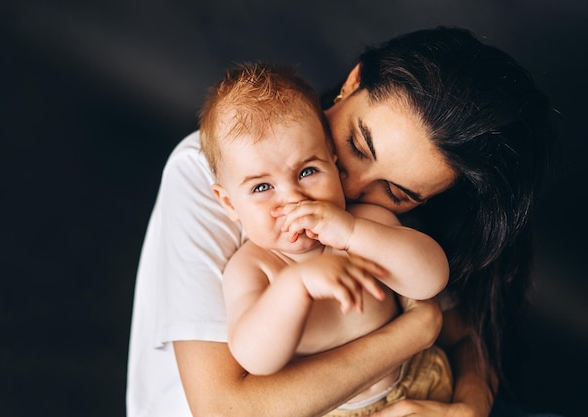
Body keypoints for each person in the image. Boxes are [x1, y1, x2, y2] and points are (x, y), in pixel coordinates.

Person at [127, 26, 556, 417]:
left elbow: (455, 315)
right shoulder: (226, 175)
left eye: (398, 191)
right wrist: (415, 329)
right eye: (357, 145)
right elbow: (237, 393)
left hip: (419, 388)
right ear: (352, 83)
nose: (349, 186)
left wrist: (468, 408)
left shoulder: (365, 221)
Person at [199, 62, 453, 415]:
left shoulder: (363, 222)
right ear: (229, 203)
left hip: (417, 384)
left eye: (307, 171)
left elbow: (430, 278)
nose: (293, 198)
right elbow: (255, 358)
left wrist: (350, 233)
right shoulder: (254, 268)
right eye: (262, 187)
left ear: (333, 164)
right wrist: (296, 285)